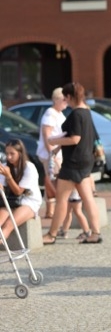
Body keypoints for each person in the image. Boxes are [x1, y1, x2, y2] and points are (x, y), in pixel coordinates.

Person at [42, 82, 102, 245]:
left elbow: (75, 138)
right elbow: (77, 134)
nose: (66, 102)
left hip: (73, 162)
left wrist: (54, 140)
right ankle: (95, 233)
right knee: (88, 198)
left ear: (69, 97)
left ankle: (51, 234)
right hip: (85, 160)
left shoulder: (76, 114)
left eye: (66, 98)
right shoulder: (87, 112)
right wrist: (58, 147)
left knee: (61, 199)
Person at [0, 139, 42, 243]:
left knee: (8, 225)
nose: (9, 157)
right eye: (7, 153)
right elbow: (2, 189)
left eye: (12, 154)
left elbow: (19, 191)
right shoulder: (6, 166)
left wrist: (8, 176)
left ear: (20, 153)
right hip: (11, 200)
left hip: (29, 201)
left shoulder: (29, 168)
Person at [37, 87, 67, 218]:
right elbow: (46, 135)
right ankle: (50, 210)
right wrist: (52, 154)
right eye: (63, 99)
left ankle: (50, 210)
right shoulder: (50, 113)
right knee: (52, 180)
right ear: (56, 100)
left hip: (56, 152)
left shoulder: (59, 114)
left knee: (53, 179)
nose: (66, 102)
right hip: (51, 153)